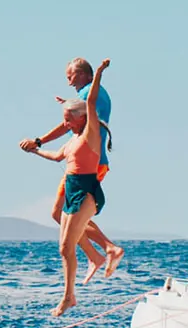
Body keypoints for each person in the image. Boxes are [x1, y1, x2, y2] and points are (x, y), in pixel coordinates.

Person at [20, 57, 123, 282]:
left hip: (89, 166)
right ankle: (96, 254)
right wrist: (69, 103)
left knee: (65, 214)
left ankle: (106, 249)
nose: (69, 82)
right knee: (60, 214)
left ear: (85, 75)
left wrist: (39, 141)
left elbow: (72, 120)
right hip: (84, 163)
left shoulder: (88, 95)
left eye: (71, 76)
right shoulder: (85, 96)